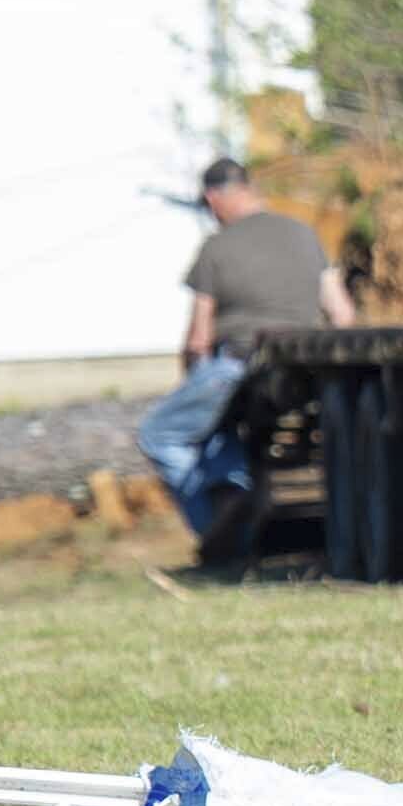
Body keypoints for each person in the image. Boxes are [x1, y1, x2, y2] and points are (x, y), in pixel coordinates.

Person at [139, 158, 351, 544]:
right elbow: (342, 314)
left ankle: (217, 523)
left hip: (236, 364)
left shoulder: (216, 247)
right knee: (218, 429)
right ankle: (231, 486)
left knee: (160, 434)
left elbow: (198, 339)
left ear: (213, 197)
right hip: (304, 369)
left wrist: (192, 376)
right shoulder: (305, 234)